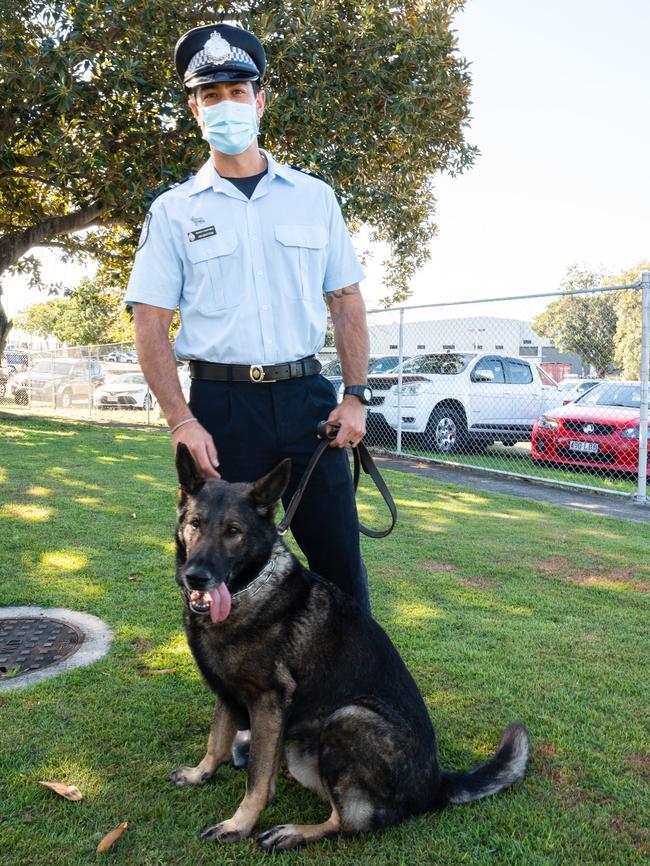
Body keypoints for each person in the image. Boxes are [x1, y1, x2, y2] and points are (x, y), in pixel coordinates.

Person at [125, 24, 373, 614]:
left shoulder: (314, 198)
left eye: (238, 91)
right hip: (221, 411)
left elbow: (346, 302)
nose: (226, 105)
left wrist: (356, 395)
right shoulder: (174, 210)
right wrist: (181, 422)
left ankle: (354, 693)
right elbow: (150, 324)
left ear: (261, 100)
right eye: (211, 96)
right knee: (212, 571)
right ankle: (238, 704)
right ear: (195, 109)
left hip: (309, 405)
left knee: (339, 567)